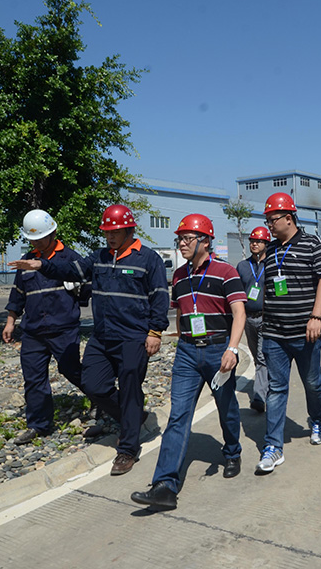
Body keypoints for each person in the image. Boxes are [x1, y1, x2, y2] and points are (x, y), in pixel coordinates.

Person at [9, 204, 169, 476]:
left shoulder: (148, 259)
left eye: (115, 232)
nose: (110, 237)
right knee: (93, 384)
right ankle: (131, 416)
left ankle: (127, 449)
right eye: (107, 232)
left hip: (133, 337)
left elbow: (160, 297)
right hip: (102, 337)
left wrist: (155, 332)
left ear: (129, 230)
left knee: (131, 389)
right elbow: (71, 270)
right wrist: (42, 265)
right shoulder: (98, 257)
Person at [131, 214, 246, 511]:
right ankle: (165, 485)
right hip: (187, 353)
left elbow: (239, 313)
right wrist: (181, 340)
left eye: (187, 239)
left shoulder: (226, 272)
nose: (181, 244)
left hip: (218, 350)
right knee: (178, 416)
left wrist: (232, 349)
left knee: (227, 408)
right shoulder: (180, 276)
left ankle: (232, 452)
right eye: (179, 239)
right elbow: (182, 312)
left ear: (205, 241)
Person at [255, 192, 321, 475]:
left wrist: (316, 316)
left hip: (306, 332)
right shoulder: (270, 250)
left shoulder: (313, 244)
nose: (269, 225)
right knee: (276, 388)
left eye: (273, 219)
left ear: (289, 218)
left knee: (312, 383)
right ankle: (273, 446)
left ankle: (318, 420)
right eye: (267, 220)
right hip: (274, 333)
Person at [3, 209, 89, 445]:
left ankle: (102, 402)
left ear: (53, 233)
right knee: (33, 378)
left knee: (72, 370)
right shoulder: (26, 261)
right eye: (32, 239)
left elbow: (87, 288)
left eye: (40, 238)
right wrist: (10, 321)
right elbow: (18, 294)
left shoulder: (71, 258)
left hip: (63, 329)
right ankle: (38, 425)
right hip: (33, 331)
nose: (36, 243)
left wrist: (78, 290)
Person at [236, 226, 271, 412]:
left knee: (262, 356)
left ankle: (259, 397)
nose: (254, 244)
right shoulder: (242, 266)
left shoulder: (272, 264)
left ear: (266, 244)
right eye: (252, 241)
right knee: (257, 356)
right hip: (248, 318)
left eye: (258, 241)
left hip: (267, 318)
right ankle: (267, 383)